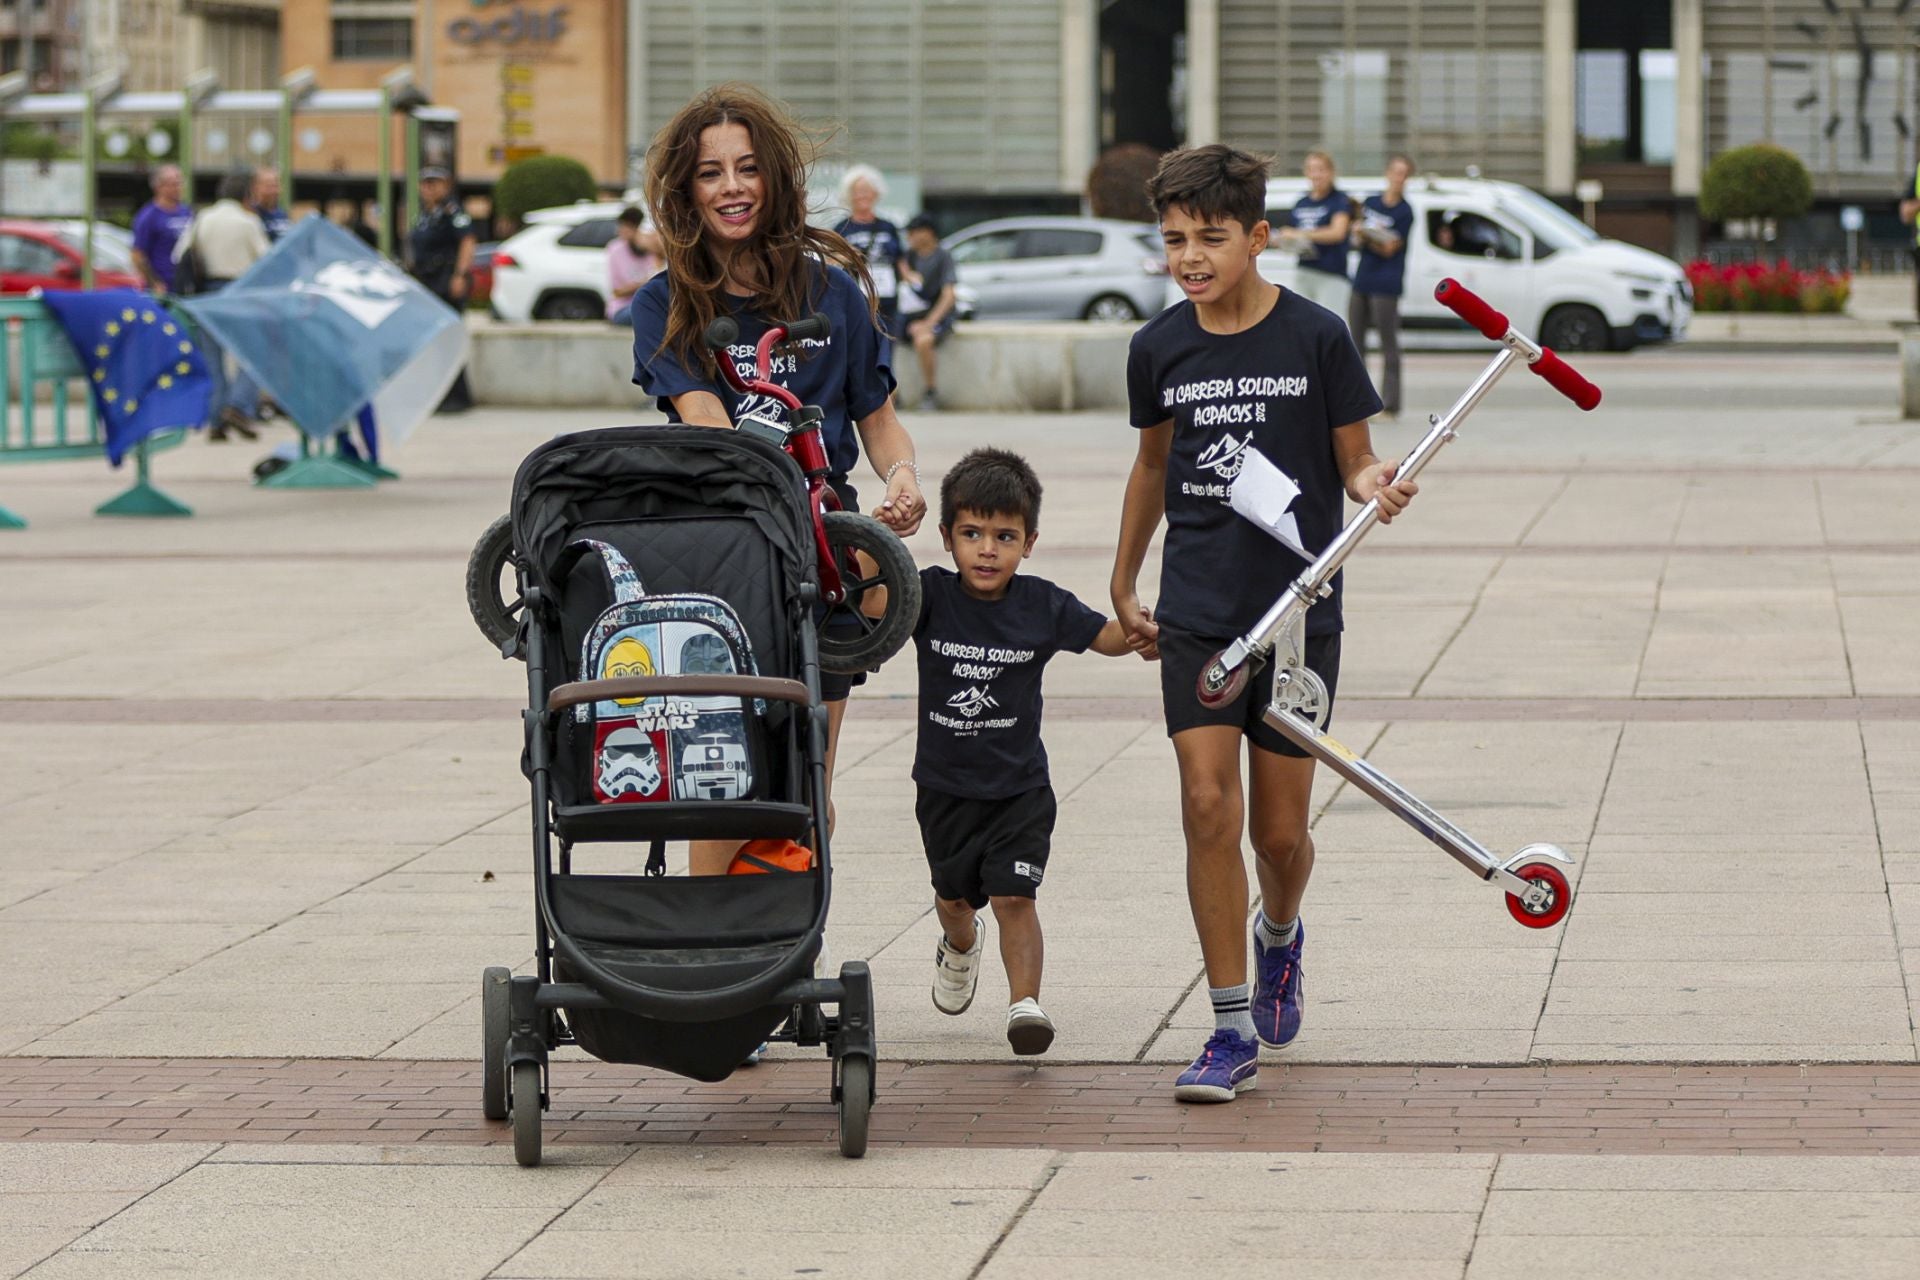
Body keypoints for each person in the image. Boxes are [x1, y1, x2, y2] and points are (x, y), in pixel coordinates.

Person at [1111, 143, 1417, 1103]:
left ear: (1257, 237)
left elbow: (1356, 458)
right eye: (1174, 240)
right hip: (1200, 611)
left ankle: (1279, 936)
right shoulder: (1160, 346)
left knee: (1280, 837)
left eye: (1210, 238)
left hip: (1298, 616)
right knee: (1208, 805)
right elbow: (1154, 467)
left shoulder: (1317, 336)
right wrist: (1125, 579)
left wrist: (1375, 484)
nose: (1191, 257)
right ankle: (1228, 1026)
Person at [630, 81, 927, 876]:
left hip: (826, 560)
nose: (732, 187)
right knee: (721, 774)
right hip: (725, 554)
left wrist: (900, 477)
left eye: (748, 168)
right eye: (711, 173)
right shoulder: (667, 302)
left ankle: (791, 955)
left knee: (808, 774)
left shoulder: (831, 293)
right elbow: (709, 427)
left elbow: (878, 415)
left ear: (775, 180)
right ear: (687, 192)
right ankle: (712, 969)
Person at [909, 448, 1147, 1055]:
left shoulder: (1042, 604)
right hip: (944, 787)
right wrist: (877, 538)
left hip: (1020, 790)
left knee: (1016, 896)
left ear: (1029, 541)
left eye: (1004, 536)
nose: (987, 549)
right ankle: (959, 944)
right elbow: (873, 605)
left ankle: (1025, 1006)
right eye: (972, 534)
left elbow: (1107, 638)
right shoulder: (930, 595)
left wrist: (1149, 627)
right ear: (946, 537)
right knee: (954, 898)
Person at [175, 173, 271, 440]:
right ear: (246, 195)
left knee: (212, 358)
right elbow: (265, 258)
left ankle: (216, 419)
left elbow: (180, 253)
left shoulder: (203, 218)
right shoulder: (248, 221)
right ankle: (239, 405)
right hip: (241, 292)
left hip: (207, 292)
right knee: (254, 354)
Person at [1348, 154, 1416, 421]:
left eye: (1404, 174)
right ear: (1388, 173)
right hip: (1362, 278)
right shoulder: (1372, 202)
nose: (1398, 178)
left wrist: (1368, 237)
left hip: (1386, 283)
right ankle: (1358, 402)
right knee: (1355, 342)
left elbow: (1390, 247)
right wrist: (1360, 233)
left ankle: (1391, 404)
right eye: (1395, 172)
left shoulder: (1405, 211)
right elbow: (1357, 234)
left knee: (1388, 343)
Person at [407, 166, 477, 413]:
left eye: (435, 183)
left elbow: (468, 242)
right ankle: (440, 395)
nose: (429, 188)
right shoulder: (426, 215)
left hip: (446, 279)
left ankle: (458, 398)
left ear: (446, 185)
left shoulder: (452, 212)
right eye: (425, 183)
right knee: (435, 343)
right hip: (428, 282)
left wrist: (460, 275)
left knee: (449, 339)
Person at [833, 165, 904, 371]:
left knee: (889, 351)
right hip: (858, 298)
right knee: (861, 350)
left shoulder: (888, 227)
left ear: (876, 193)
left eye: (867, 190)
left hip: (888, 299)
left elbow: (900, 259)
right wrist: (847, 256)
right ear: (849, 195)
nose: (862, 195)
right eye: (857, 191)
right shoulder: (842, 228)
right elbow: (832, 261)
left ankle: (890, 397)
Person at [1281, 150, 1353, 316]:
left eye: (1321, 169)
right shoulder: (1301, 202)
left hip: (1332, 273)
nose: (1316, 175)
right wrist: (1284, 240)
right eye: (1312, 169)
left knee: (1332, 322)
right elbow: (1292, 232)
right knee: (1302, 322)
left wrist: (1301, 234)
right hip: (1305, 269)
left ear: (1331, 172)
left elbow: (1337, 233)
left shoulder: (1339, 200)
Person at [897, 215, 956, 412]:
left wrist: (929, 322)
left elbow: (949, 296)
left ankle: (931, 391)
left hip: (934, 317)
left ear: (928, 233)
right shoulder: (908, 257)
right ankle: (893, 395)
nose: (910, 237)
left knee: (923, 340)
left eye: (914, 232)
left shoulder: (942, 257)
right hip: (910, 316)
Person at [130, 165, 193, 296]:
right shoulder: (149, 216)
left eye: (180, 183)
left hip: (184, 283)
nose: (178, 188)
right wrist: (154, 283)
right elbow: (137, 254)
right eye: (173, 184)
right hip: (163, 286)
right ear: (159, 187)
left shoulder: (186, 212)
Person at [606, 205, 662, 324]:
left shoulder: (649, 249)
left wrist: (654, 249)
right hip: (623, 307)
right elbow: (617, 291)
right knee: (645, 312)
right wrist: (644, 284)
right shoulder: (615, 249)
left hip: (648, 303)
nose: (622, 230)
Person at [249, 166, 291, 242]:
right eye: (268, 186)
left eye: (276, 186)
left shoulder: (282, 214)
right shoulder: (250, 214)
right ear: (255, 188)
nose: (273, 191)